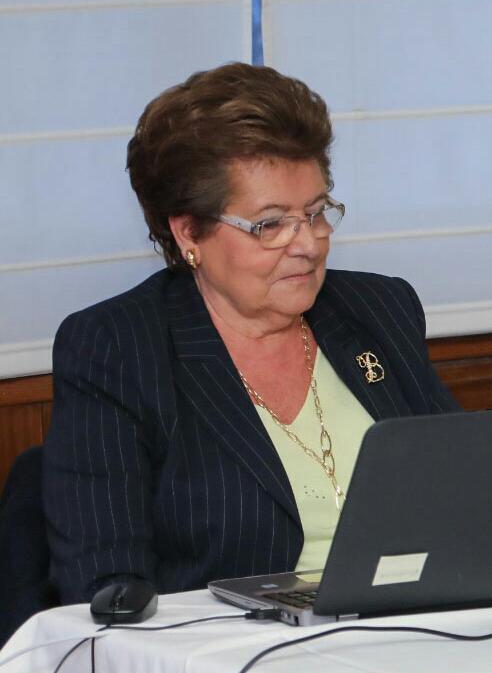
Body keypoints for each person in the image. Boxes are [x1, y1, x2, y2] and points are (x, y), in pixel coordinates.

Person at [44, 63, 459, 604]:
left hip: (425, 620)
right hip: (238, 660)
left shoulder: (378, 309)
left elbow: (461, 494)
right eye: (270, 224)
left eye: (316, 213)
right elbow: (105, 581)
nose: (307, 243)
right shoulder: (118, 348)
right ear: (189, 230)